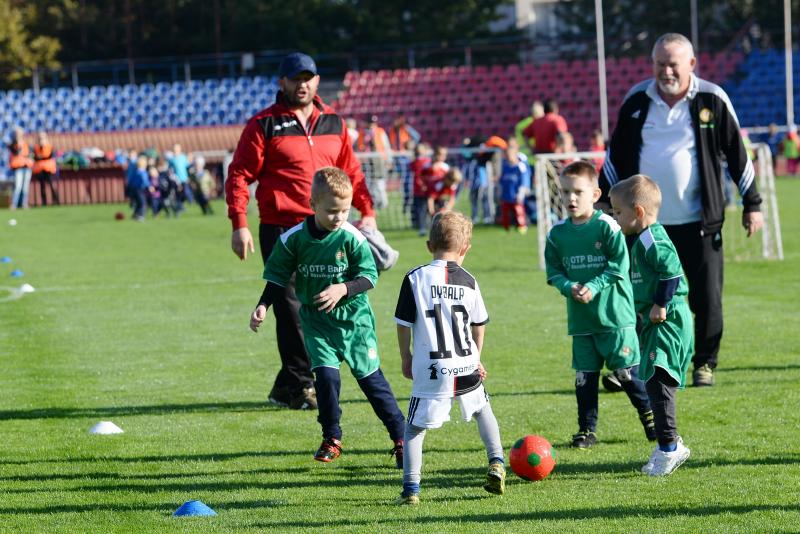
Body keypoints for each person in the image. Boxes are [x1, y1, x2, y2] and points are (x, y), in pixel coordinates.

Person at [598, 33, 764, 387]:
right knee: (638, 296)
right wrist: (602, 202)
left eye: (673, 63)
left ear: (691, 64)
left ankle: (704, 364)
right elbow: (615, 155)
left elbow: (738, 155)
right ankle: (636, 364)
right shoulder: (637, 100)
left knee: (705, 298)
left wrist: (752, 203)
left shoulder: (711, 99)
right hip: (643, 225)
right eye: (660, 64)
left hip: (698, 222)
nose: (666, 71)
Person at [225, 52, 377, 411]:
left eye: (308, 77)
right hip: (281, 228)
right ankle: (300, 386)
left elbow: (351, 173)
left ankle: (285, 383)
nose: (302, 84)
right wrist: (239, 224)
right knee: (291, 308)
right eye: (295, 78)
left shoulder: (335, 124)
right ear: (282, 82)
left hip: (327, 229)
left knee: (323, 305)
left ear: (318, 80)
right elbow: (239, 175)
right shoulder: (263, 124)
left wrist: (367, 212)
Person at [249, 167, 405, 466]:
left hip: (354, 320)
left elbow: (370, 277)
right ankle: (332, 437)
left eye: (345, 210)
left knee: (371, 381)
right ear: (312, 205)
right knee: (327, 380)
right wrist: (262, 305)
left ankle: (400, 437)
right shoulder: (293, 239)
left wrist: (342, 289)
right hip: (317, 321)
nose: (339, 217)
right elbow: (278, 276)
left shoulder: (352, 237)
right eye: (332, 211)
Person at [394, 211, 506, 504]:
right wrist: (477, 357)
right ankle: (496, 461)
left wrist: (406, 357)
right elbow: (478, 325)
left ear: (429, 245)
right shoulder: (469, 280)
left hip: (432, 367)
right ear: (465, 249)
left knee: (415, 427)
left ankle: (411, 490)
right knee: (483, 409)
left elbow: (403, 324)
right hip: (466, 363)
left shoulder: (415, 278)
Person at [545, 161, 655, 448]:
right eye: (565, 191)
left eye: (578, 192)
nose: (570, 198)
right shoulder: (557, 234)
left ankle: (651, 418)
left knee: (627, 375)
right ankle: (586, 430)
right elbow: (554, 272)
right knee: (585, 379)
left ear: (595, 194)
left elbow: (619, 266)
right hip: (582, 322)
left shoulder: (608, 226)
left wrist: (592, 287)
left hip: (615, 318)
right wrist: (569, 287)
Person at [609, 174, 693, 476]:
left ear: (639, 212)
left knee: (658, 382)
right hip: (656, 320)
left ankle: (670, 447)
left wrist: (660, 304)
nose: (615, 218)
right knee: (655, 380)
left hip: (669, 319)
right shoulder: (639, 239)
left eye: (618, 212)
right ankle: (667, 444)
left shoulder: (651, 238)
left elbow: (671, 273)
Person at [358, 115, 392, 209]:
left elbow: (386, 147)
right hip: (366, 161)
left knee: (379, 183)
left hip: (378, 161)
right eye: (370, 123)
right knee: (368, 184)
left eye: (373, 123)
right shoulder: (361, 133)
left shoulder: (380, 131)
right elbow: (359, 147)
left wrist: (389, 160)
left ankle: (383, 203)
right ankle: (373, 203)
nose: (372, 125)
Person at [498, 140, 531, 233]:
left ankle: (522, 226)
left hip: (516, 194)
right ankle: (505, 227)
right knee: (505, 212)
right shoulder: (505, 166)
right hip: (506, 194)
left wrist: (521, 192)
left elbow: (524, 180)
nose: (508, 157)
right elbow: (502, 180)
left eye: (510, 155)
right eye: (507, 155)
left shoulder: (520, 166)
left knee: (519, 211)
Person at [7, 128, 33, 210]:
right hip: (18, 168)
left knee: (25, 187)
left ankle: (24, 204)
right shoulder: (12, 144)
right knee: (18, 186)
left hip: (27, 167)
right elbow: (16, 152)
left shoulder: (26, 143)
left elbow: (30, 154)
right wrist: (18, 143)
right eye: (17, 133)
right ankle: (14, 204)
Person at [409, 142, 432, 236]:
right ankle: (427, 227)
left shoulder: (414, 162)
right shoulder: (427, 161)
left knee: (422, 209)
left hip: (420, 189)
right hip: (425, 189)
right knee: (427, 209)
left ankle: (423, 227)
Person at [32, 131, 59, 206]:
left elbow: (50, 156)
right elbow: (35, 157)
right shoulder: (36, 147)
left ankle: (56, 200)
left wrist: (42, 153)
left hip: (48, 169)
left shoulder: (49, 146)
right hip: (40, 169)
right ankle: (44, 202)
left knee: (51, 184)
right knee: (42, 186)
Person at [168, 143, 193, 207]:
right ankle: (181, 206)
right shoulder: (171, 159)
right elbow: (170, 169)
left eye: (177, 148)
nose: (176, 150)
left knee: (186, 191)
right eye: (175, 148)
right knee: (178, 193)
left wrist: (189, 176)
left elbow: (188, 167)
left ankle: (190, 201)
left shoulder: (183, 157)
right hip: (176, 180)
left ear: (180, 149)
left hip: (184, 178)